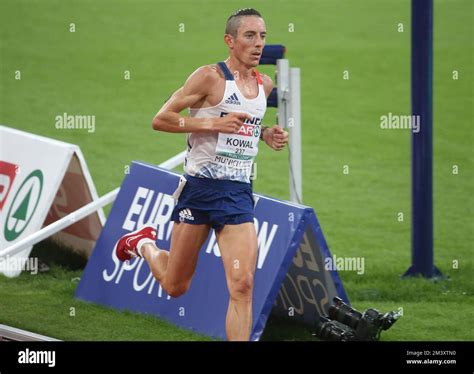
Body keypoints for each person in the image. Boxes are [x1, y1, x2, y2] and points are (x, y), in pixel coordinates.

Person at [114, 8, 288, 341]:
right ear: (230, 40)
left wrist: (264, 133)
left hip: (237, 193)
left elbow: (245, 126)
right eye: (250, 36)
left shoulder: (263, 85)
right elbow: (161, 119)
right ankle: (145, 245)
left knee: (243, 284)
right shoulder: (209, 77)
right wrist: (211, 122)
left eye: (262, 36)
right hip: (199, 190)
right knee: (175, 285)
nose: (258, 44)